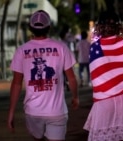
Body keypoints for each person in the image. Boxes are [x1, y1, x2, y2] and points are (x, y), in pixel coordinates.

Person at [7, 10, 79, 141]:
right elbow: (72, 78)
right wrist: (75, 97)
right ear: (49, 27)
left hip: (33, 112)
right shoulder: (61, 47)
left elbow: (16, 83)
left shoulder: (21, 50)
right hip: (57, 111)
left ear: (30, 28)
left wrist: (11, 112)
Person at [83, 11, 123, 141]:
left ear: (99, 27)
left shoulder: (95, 47)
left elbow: (96, 76)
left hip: (104, 100)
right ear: (119, 27)